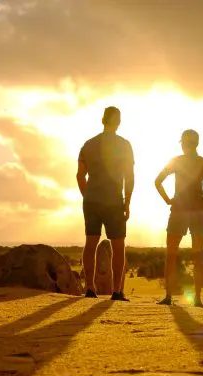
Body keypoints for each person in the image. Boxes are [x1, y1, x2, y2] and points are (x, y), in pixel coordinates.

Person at [154, 129, 203, 307]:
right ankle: (197, 299)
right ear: (196, 143)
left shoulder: (176, 161)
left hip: (179, 210)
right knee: (198, 256)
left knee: (171, 255)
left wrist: (167, 200)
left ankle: (168, 296)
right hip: (198, 212)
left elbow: (157, 181)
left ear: (183, 143)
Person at [76, 106, 134, 301]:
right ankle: (117, 291)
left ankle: (90, 289)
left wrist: (88, 196)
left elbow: (79, 176)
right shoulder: (124, 145)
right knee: (118, 246)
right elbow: (130, 177)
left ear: (103, 120)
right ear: (118, 122)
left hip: (92, 200)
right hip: (114, 201)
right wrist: (127, 202)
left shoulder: (88, 145)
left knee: (90, 242)